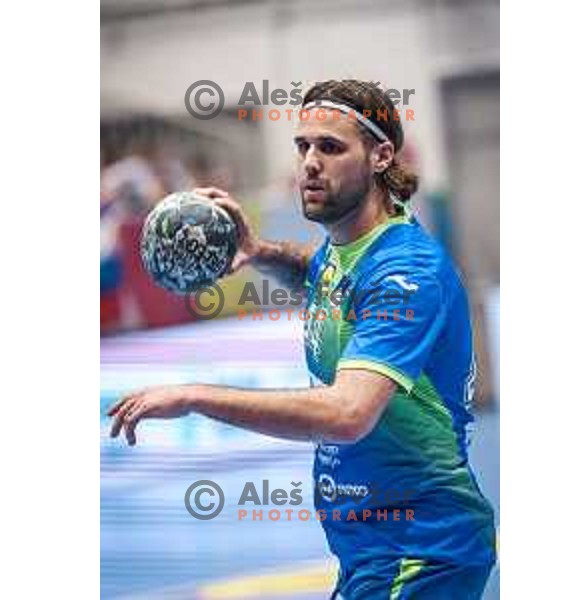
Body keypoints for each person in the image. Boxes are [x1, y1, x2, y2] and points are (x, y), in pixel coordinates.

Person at [108, 79, 496, 599]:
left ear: (381, 156)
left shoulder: (405, 271)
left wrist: (196, 395)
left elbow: (346, 415)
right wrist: (258, 250)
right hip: (372, 551)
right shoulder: (352, 250)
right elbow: (322, 275)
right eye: (303, 146)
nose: (311, 162)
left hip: (422, 552)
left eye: (331, 148)